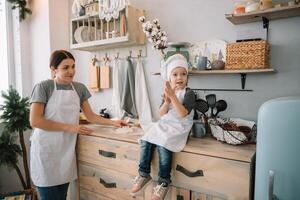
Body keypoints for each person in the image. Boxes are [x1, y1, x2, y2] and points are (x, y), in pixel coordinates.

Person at [29, 50, 126, 200]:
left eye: (73, 66)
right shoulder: (43, 87)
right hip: (46, 152)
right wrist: (71, 128)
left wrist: (113, 122)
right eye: (65, 67)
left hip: (65, 152)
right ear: (54, 70)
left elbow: (91, 116)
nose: (71, 71)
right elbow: (35, 121)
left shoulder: (79, 88)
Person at [130, 54, 196, 200]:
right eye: (175, 74)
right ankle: (143, 174)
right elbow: (161, 114)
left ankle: (164, 183)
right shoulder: (168, 93)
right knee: (146, 139)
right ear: (169, 78)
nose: (180, 77)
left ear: (187, 77)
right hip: (166, 123)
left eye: (183, 74)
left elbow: (183, 113)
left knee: (164, 144)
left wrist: (172, 97)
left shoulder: (190, 93)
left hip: (179, 126)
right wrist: (167, 100)